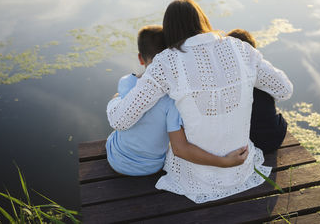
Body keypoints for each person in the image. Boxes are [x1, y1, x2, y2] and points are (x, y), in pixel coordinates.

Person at [107, 0, 293, 203]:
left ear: (170, 31)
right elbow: (284, 90)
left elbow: (120, 121)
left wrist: (115, 101)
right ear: (202, 20)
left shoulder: (166, 62)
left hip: (196, 179)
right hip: (242, 168)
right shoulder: (241, 48)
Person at [106, 25, 248, 176]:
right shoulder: (172, 99)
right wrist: (225, 161)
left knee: (117, 108)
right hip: (150, 167)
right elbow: (180, 149)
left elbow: (120, 103)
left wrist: (116, 99)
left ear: (141, 58)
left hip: (115, 158)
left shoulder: (127, 80)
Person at [226, 29, 288, 154]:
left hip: (247, 141)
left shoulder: (226, 77)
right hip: (274, 138)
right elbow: (284, 92)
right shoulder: (263, 73)